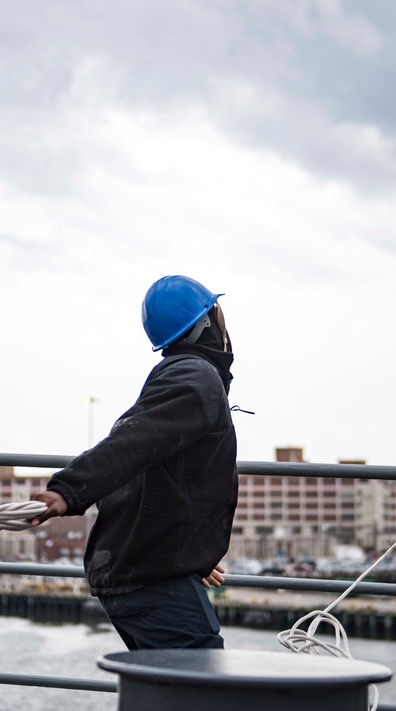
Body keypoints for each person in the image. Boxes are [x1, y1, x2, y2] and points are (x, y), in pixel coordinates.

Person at [30, 275, 238, 650]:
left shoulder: (181, 376)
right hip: (152, 580)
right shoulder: (194, 378)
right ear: (205, 325)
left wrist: (190, 552)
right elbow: (133, 443)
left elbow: (162, 472)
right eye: (216, 313)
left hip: (149, 571)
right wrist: (68, 490)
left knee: (170, 689)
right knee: (201, 689)